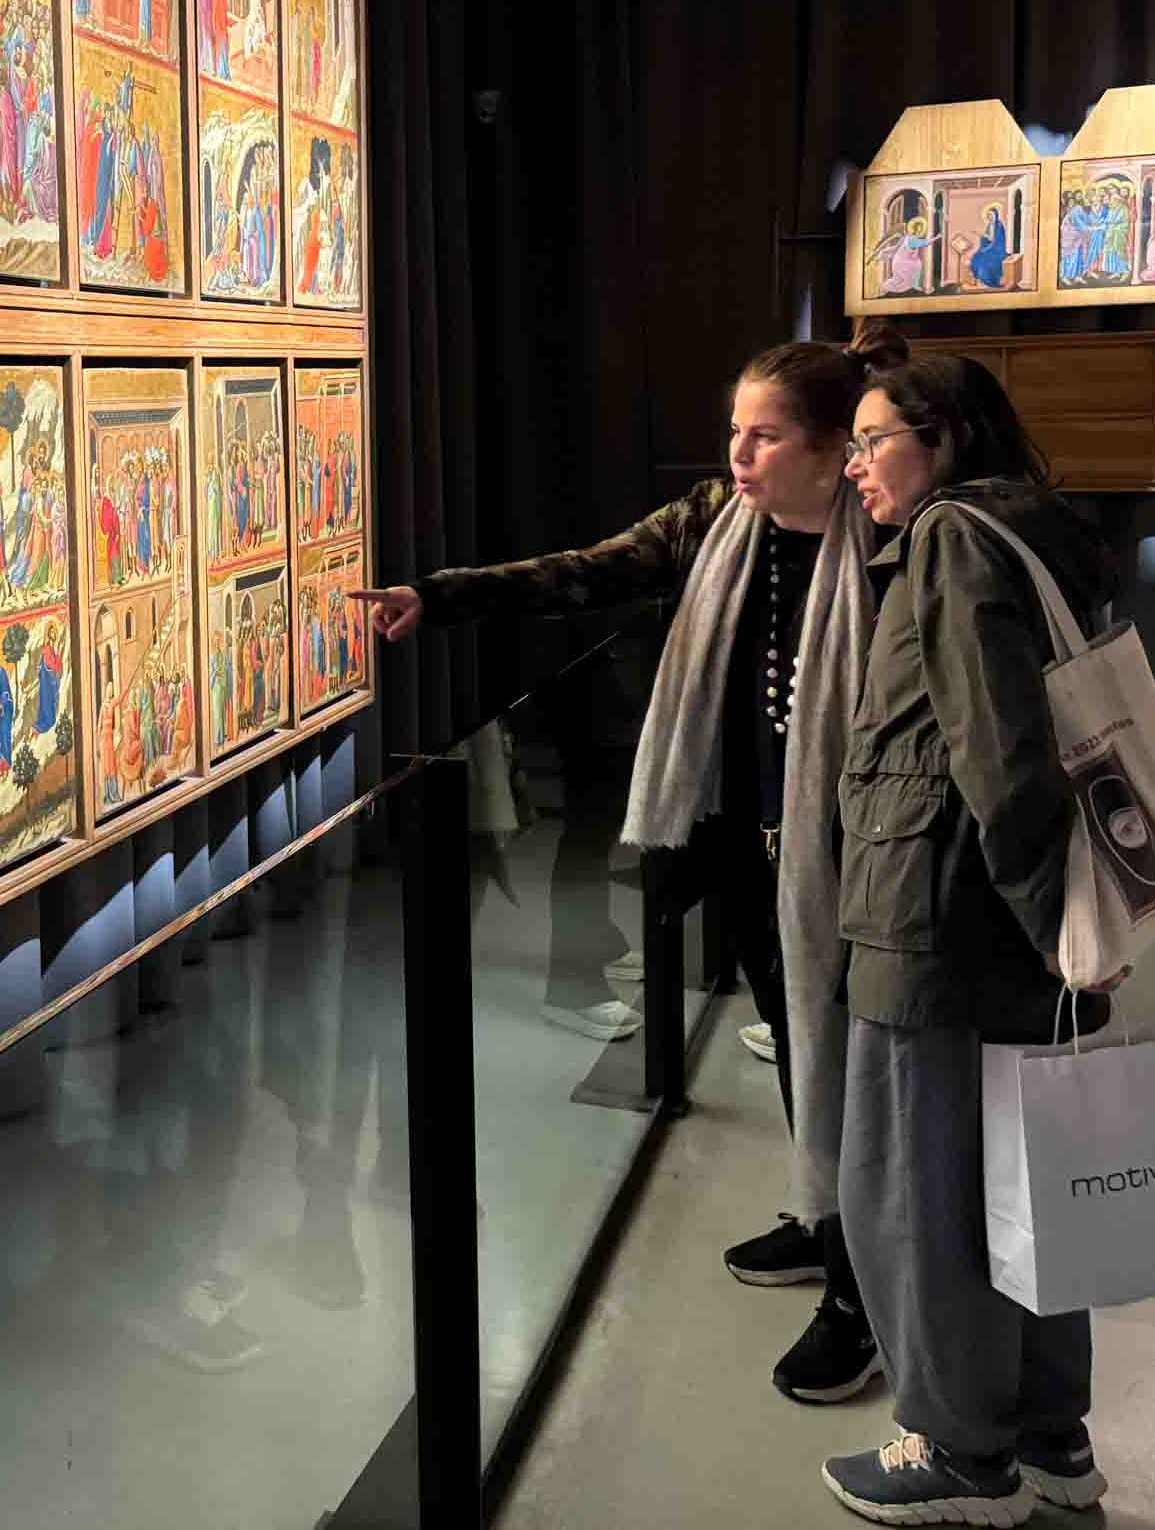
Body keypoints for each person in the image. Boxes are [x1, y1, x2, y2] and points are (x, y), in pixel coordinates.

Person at [352, 335, 896, 1406]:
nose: (737, 454)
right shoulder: (716, 522)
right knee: (799, 1043)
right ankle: (823, 1213)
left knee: (856, 1064)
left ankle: (862, 1294)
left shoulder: (889, 543)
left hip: (858, 859)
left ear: (835, 450)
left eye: (765, 436)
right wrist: (437, 595)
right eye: (733, 430)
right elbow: (588, 571)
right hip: (749, 842)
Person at [821, 351, 1127, 1525]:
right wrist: (1065, 922)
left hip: (932, 916)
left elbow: (997, 749)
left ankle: (958, 1448)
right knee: (1027, 1180)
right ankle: (1049, 1435)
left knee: (917, 1193)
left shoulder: (950, 539)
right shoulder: (1037, 530)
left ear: (944, 438)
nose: (855, 467)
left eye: (874, 441)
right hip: (1008, 922)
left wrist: (1056, 918)